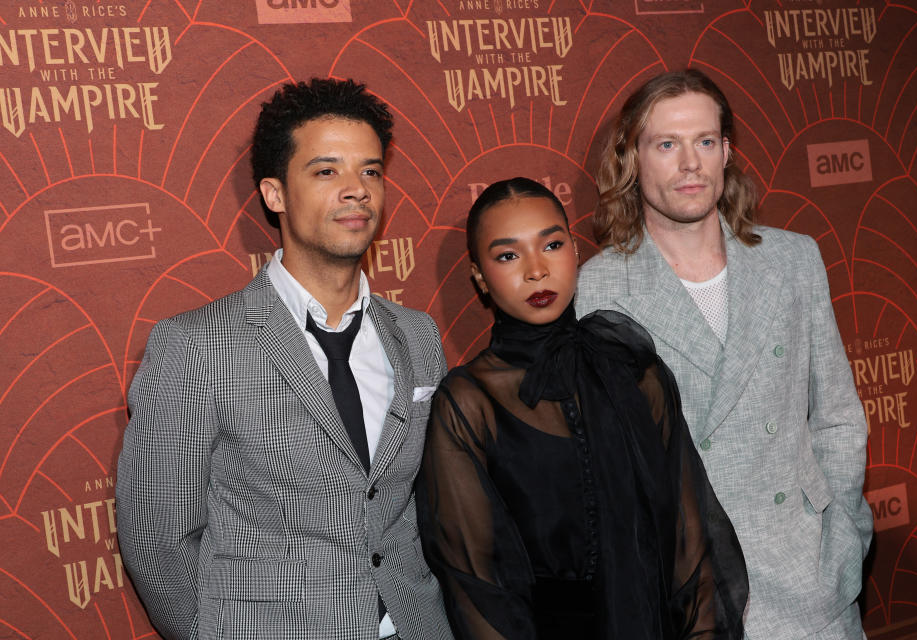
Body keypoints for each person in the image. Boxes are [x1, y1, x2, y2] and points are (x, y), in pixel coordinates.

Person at [116, 78, 453, 640]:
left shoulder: (417, 336)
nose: (357, 190)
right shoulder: (196, 346)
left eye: (370, 171)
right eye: (326, 171)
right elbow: (156, 539)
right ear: (275, 194)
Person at [577, 69, 873, 639]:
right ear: (633, 159)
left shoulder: (793, 260)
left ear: (726, 152)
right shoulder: (599, 290)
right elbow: (606, 471)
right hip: (696, 595)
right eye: (667, 144)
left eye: (705, 142)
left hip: (812, 580)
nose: (690, 163)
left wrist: (843, 540)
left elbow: (838, 416)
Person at [416, 177, 748, 639]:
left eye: (551, 244)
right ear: (479, 278)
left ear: (574, 250)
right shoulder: (469, 403)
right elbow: (476, 584)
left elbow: (688, 544)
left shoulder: (634, 371)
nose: (536, 270)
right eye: (508, 255)